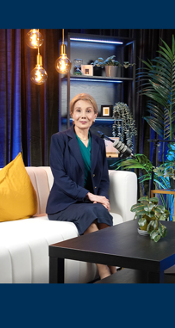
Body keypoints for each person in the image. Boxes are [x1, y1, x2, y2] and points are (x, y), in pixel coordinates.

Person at [46, 93, 116, 280]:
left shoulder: (99, 143)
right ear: (71, 115)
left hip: (87, 203)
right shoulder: (59, 139)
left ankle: (115, 272)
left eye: (88, 111)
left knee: (100, 211)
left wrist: (102, 198)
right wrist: (91, 196)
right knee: (90, 213)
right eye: (78, 111)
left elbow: (103, 178)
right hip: (62, 204)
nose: (83, 115)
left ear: (94, 116)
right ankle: (105, 274)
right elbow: (60, 177)